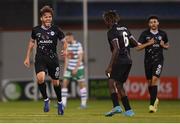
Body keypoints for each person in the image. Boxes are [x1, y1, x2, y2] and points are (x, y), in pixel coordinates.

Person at [24, 5, 65, 115]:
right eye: (46, 17)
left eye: (50, 17)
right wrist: (27, 57)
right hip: (40, 58)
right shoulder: (36, 30)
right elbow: (32, 43)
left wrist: (64, 50)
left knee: (56, 83)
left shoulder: (56, 29)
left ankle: (60, 102)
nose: (48, 19)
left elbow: (64, 41)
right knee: (40, 78)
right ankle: (46, 100)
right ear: (41, 18)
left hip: (53, 59)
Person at [102, 10, 140, 117]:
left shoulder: (111, 31)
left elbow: (116, 49)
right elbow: (135, 44)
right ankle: (129, 111)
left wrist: (109, 67)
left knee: (110, 82)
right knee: (119, 85)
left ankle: (116, 106)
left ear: (109, 20)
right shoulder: (125, 29)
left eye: (105, 20)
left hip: (120, 60)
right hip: (128, 61)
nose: (105, 23)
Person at [137, 15, 169, 113]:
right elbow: (138, 48)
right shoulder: (144, 34)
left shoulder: (163, 34)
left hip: (158, 60)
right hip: (148, 61)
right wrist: (148, 43)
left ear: (158, 23)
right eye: (151, 22)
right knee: (150, 83)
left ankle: (151, 105)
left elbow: (167, 45)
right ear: (149, 24)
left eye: (155, 22)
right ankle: (155, 99)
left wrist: (164, 46)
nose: (153, 24)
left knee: (155, 79)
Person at [61, 32, 87, 108]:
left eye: (67, 38)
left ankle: (83, 104)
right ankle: (63, 103)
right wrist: (65, 70)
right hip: (69, 68)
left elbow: (80, 58)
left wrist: (76, 68)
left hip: (78, 68)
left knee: (81, 85)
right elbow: (66, 58)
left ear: (71, 37)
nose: (66, 40)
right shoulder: (67, 46)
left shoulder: (78, 45)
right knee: (64, 84)